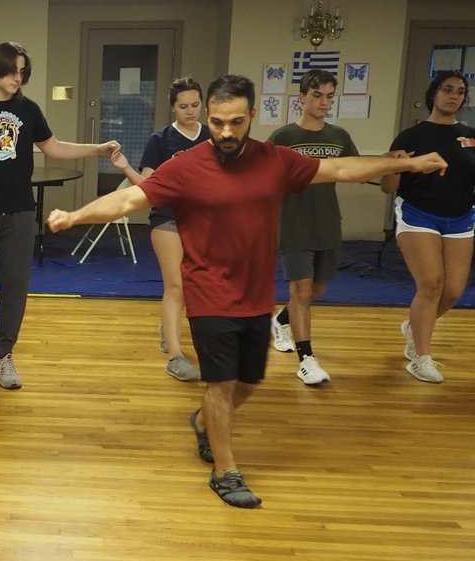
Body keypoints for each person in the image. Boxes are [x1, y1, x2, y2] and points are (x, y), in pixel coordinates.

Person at [48, 74, 447, 508]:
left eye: (236, 122)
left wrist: (403, 164)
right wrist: (74, 216)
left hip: (255, 293)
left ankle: (203, 422)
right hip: (207, 290)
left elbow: (341, 169)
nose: (225, 132)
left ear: (253, 116)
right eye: (217, 121)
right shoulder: (186, 165)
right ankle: (226, 472)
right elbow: (128, 200)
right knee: (221, 382)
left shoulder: (275, 160)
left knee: (249, 381)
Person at [0, 41, 118, 389]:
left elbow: (53, 147)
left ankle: (3, 356)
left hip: (20, 210)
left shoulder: (29, 110)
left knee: (15, 285)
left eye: (23, 72)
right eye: (12, 71)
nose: (17, 78)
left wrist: (96, 149)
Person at [109, 77, 210, 382]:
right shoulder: (161, 139)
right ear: (172, 108)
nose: (190, 111)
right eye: (183, 106)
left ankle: (170, 328)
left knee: (198, 285)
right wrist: (127, 167)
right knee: (175, 285)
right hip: (166, 218)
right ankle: (175, 357)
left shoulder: (213, 137)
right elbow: (149, 188)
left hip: (205, 221)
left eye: (195, 105)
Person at [381, 69, 475, 384]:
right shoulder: (411, 136)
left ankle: (414, 326)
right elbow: (388, 185)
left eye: (460, 91)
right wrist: (392, 163)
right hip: (418, 214)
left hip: (461, 216)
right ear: (433, 93)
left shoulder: (470, 135)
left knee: (453, 290)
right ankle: (421, 357)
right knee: (432, 284)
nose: (453, 95)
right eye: (447, 89)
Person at [267, 70, 359, 386]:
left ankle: (280, 321)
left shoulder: (339, 136)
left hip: (328, 224)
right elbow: (262, 177)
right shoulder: (283, 137)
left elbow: (357, 170)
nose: (324, 101)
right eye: (317, 94)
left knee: (315, 290)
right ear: (302, 97)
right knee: (301, 290)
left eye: (330, 96)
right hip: (293, 224)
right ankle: (306, 359)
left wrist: (395, 162)